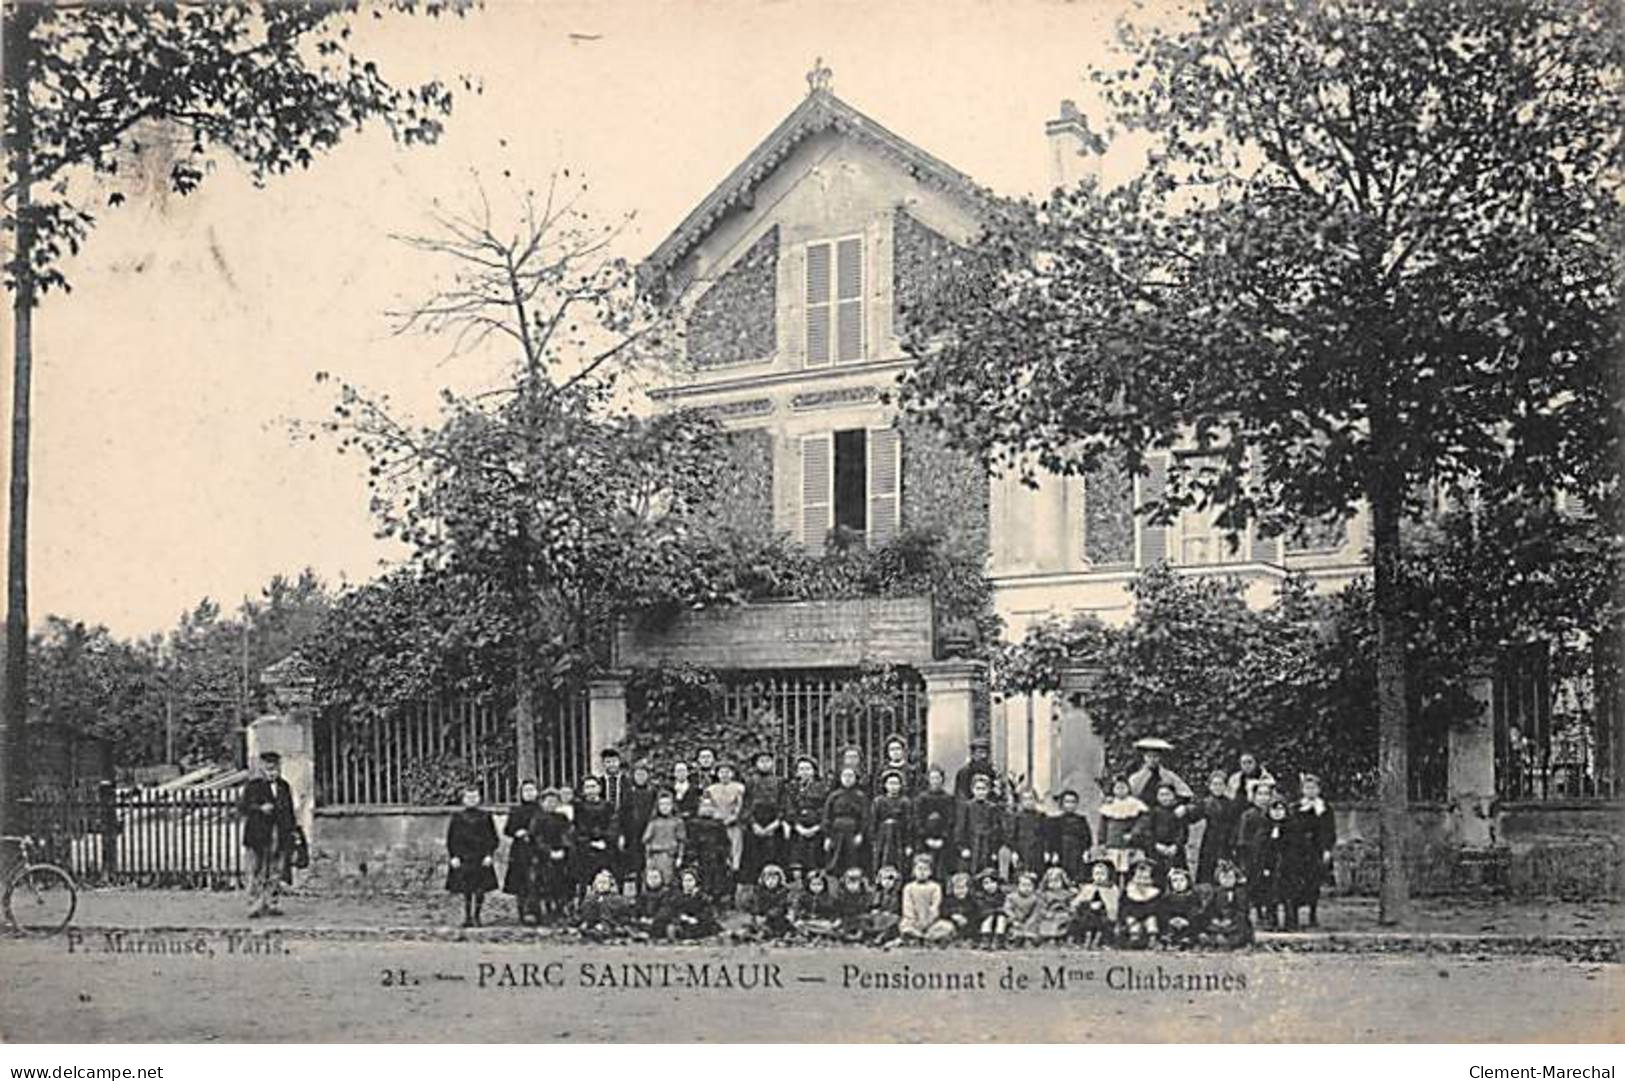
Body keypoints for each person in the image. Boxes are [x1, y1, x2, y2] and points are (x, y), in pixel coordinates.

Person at [239, 751, 297, 919]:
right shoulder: (253, 786)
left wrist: (293, 831)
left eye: (275, 769)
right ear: (262, 769)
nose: (272, 772)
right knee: (257, 869)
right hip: (258, 833)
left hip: (279, 833)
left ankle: (272, 902)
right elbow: (243, 807)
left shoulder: (284, 786)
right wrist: (259, 808)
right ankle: (254, 904)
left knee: (276, 870)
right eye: (268, 769)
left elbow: (290, 810)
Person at [1285, 773, 1337, 928]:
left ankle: (1312, 915)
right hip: (1298, 851)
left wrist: (1327, 849)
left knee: (1314, 883)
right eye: (1307, 788)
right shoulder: (1295, 808)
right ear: (1302, 790)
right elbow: (1291, 829)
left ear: (1319, 790)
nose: (1310, 791)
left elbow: (1330, 830)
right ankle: (1293, 915)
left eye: (1313, 788)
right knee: (1296, 883)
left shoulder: (1325, 809)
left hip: (1316, 850)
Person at [445, 784, 500, 928]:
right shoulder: (457, 817)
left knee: (480, 888)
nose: (471, 799)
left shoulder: (485, 816)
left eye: (474, 797)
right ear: (463, 799)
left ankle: (477, 915)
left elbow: (492, 837)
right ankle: (467, 916)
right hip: (464, 856)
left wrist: (489, 854)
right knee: (466, 889)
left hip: (480, 857)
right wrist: (454, 856)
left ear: (479, 798)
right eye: (468, 797)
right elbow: (451, 838)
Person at [1189, 769, 1245, 885]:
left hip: (1226, 840)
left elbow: (1236, 823)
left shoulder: (1231, 804)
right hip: (1210, 840)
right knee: (1207, 870)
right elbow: (1192, 817)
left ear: (1225, 786)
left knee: (1225, 870)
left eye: (1221, 784)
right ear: (1209, 786)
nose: (1217, 787)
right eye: (1215, 784)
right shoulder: (1205, 803)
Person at [1246, 797, 1294, 930]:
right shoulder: (1264, 829)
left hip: (1287, 868)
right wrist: (1264, 866)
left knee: (1287, 896)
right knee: (1269, 895)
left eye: (1280, 809)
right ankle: (1271, 920)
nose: (1277, 813)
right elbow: (1259, 850)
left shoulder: (1291, 829)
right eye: (1274, 809)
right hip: (1269, 868)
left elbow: (1296, 848)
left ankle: (1290, 922)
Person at [502, 779, 545, 925]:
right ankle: (522, 913)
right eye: (526, 790)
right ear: (521, 793)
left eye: (532, 790)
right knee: (520, 883)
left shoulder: (542, 810)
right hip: (520, 851)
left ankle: (536, 913)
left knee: (537, 881)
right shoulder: (516, 810)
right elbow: (507, 830)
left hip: (538, 849)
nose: (529, 793)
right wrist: (517, 832)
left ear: (537, 792)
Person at [742, 750, 786, 888]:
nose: (765, 764)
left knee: (772, 857)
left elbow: (783, 804)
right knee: (754, 858)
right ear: (756, 764)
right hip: (755, 826)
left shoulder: (779, 782)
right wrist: (753, 824)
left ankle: (774, 888)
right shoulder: (750, 782)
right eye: (761, 761)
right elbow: (746, 806)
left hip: (773, 825)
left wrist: (776, 823)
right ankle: (757, 890)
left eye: (768, 761)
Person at [573, 776, 620, 899]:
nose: (591, 790)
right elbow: (578, 828)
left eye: (593, 786)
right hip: (585, 849)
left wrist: (605, 840)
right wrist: (590, 842)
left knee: (607, 877)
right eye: (587, 787)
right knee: (584, 880)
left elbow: (614, 825)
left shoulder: (608, 806)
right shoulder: (579, 808)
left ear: (599, 788)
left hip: (606, 847)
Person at [1097, 774, 1150, 881]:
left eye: (1123, 787)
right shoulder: (1109, 805)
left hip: (1130, 843)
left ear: (1128, 789)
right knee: (1112, 871)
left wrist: (1133, 833)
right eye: (1117, 788)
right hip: (1112, 843)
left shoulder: (1135, 804)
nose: (1120, 790)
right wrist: (1101, 842)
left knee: (1130, 871)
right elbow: (1102, 826)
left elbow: (1143, 822)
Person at [534, 788, 574, 920]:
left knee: (562, 882)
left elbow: (568, 834)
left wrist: (563, 849)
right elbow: (536, 838)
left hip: (561, 854)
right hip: (543, 857)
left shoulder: (562, 818)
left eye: (554, 801)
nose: (551, 804)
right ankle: (547, 909)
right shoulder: (538, 819)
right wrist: (548, 851)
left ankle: (560, 907)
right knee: (546, 883)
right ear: (542, 803)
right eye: (548, 801)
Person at [785, 755, 826, 880]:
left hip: (816, 829)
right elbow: (789, 807)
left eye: (808, 769)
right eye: (801, 769)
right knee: (796, 861)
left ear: (814, 771)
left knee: (814, 860)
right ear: (797, 772)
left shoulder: (823, 787)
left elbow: (825, 808)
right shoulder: (791, 788)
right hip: (797, 829)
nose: (805, 772)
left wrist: (817, 827)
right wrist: (797, 826)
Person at [705, 760, 748, 883]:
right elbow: (705, 807)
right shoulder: (710, 789)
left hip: (734, 823)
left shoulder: (740, 788)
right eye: (721, 772)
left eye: (727, 772)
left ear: (732, 774)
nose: (724, 775)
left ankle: (735, 868)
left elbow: (742, 806)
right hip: (716, 823)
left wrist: (733, 817)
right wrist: (715, 815)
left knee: (736, 844)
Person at [955, 772, 1005, 875]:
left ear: (988, 790)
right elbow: (960, 828)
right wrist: (963, 848)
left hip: (987, 846)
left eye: (983, 789)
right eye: (978, 789)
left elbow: (997, 830)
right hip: (971, 845)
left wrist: (995, 851)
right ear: (972, 790)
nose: (981, 792)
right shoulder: (967, 807)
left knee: (987, 873)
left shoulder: (993, 808)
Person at [823, 765, 870, 874]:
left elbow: (865, 817)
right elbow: (827, 816)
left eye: (850, 776)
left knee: (852, 861)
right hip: (836, 832)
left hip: (853, 833)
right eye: (845, 775)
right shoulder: (833, 796)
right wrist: (827, 836)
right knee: (835, 861)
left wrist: (860, 834)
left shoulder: (861, 796)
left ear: (855, 778)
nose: (847, 778)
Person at [688, 789, 733, 903]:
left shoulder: (719, 824)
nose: (707, 808)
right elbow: (691, 842)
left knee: (718, 879)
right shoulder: (693, 823)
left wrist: (725, 854)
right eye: (704, 805)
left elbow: (725, 842)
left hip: (717, 857)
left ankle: (717, 900)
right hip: (701, 856)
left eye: (710, 806)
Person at [912, 765, 956, 880]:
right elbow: (917, 819)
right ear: (928, 780)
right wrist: (927, 838)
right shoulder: (921, 798)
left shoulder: (948, 798)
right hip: (924, 841)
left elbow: (951, 820)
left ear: (942, 779)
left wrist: (943, 838)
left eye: (938, 778)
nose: (935, 781)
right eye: (933, 778)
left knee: (942, 869)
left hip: (943, 841)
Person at [619, 761, 657, 889]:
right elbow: (623, 814)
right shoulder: (629, 793)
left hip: (649, 832)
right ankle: (637, 891)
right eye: (638, 774)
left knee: (649, 864)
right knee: (635, 864)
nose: (640, 777)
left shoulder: (652, 792)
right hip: (633, 834)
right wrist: (623, 834)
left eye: (643, 774)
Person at [1200, 859, 1254, 948]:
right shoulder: (1215, 892)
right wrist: (1215, 918)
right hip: (1219, 919)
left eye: (1230, 877)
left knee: (1241, 925)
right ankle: (1214, 938)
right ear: (1218, 879)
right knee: (1206, 924)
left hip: (1234, 920)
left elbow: (1242, 909)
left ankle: (1234, 940)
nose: (1227, 881)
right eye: (1224, 878)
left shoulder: (1240, 893)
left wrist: (1230, 919)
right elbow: (1210, 908)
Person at [1145, 781, 1191, 884]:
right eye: (1161, 795)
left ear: (1173, 795)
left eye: (1168, 794)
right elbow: (1148, 831)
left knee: (1178, 878)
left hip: (1175, 852)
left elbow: (1183, 831)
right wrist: (1156, 845)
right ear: (1157, 796)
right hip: (1157, 851)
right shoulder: (1152, 812)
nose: (1165, 798)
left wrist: (1176, 845)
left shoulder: (1178, 812)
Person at [1043, 789, 1093, 882]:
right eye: (1067, 802)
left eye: (1073, 802)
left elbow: (1087, 837)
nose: (1070, 805)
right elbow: (1052, 838)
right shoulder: (1056, 820)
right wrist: (1054, 852)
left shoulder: (1081, 820)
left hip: (1077, 851)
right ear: (1062, 803)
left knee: (1078, 875)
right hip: (1062, 850)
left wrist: (1086, 851)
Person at [1069, 858, 1120, 947]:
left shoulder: (1111, 888)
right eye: (1097, 874)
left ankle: (1102, 940)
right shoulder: (1089, 887)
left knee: (1104, 922)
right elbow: (1079, 900)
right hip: (1088, 913)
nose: (1099, 877)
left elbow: (1113, 904)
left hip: (1103, 915)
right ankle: (1083, 939)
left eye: (1102, 874)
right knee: (1083, 918)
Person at [870, 770, 913, 876]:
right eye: (890, 783)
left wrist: (908, 843)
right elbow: (873, 821)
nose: (893, 787)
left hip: (899, 837)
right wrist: (874, 840)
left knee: (899, 861)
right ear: (885, 785)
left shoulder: (905, 802)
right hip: (882, 837)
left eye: (896, 783)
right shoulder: (878, 801)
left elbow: (909, 823)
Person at [1127, 737, 1194, 804]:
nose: (1152, 760)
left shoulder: (1169, 775)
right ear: (1144, 758)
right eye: (1149, 756)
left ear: (1160, 757)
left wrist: (1180, 805)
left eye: (1155, 756)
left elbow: (1186, 793)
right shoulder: (1136, 777)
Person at [641, 790, 685, 889]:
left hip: (670, 857)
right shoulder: (653, 822)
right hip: (655, 857)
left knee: (668, 882)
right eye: (662, 804)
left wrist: (680, 857)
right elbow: (646, 841)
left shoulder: (678, 822)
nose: (665, 807)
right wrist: (648, 858)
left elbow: (681, 841)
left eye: (667, 804)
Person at [661, 866, 720, 941]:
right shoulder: (676, 897)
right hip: (682, 923)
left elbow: (708, 913)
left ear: (695, 882)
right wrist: (682, 918)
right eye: (685, 881)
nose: (687, 883)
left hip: (699, 923)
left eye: (690, 880)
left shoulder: (702, 897)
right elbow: (672, 912)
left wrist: (697, 918)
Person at [1118, 858, 1162, 948]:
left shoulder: (1155, 893)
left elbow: (1157, 909)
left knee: (1151, 921)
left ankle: (1152, 939)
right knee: (1132, 923)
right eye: (1138, 878)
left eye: (1145, 878)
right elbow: (1123, 907)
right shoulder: (1129, 892)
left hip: (1149, 916)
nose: (1141, 882)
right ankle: (1134, 938)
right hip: (1133, 917)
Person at [898, 853, 943, 941]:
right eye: (919, 869)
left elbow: (935, 907)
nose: (922, 872)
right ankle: (919, 936)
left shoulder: (935, 887)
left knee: (946, 927)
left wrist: (927, 922)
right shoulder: (908, 887)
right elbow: (908, 908)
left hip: (931, 922)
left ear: (930, 872)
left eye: (925, 869)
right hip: (913, 922)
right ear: (914, 871)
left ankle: (925, 937)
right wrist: (914, 921)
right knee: (904, 926)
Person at [577, 867, 631, 941]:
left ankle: (608, 930)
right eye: (599, 883)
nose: (602, 885)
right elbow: (586, 909)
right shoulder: (591, 897)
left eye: (605, 883)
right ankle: (594, 929)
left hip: (612, 922)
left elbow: (623, 910)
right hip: (595, 921)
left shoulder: (616, 898)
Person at [1009, 788, 1046, 880]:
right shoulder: (1017, 817)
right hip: (1023, 848)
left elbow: (1046, 835)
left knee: (1037, 873)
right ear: (1021, 802)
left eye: (1031, 799)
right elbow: (1013, 835)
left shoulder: (1041, 816)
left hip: (1038, 849)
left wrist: (1047, 851)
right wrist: (1014, 851)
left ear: (1035, 800)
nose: (1028, 802)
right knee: (1024, 873)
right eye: (1025, 799)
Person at [1160, 866, 1203, 948]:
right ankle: (1168, 939)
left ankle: (1187, 940)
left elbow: (1196, 910)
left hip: (1187, 921)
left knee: (1196, 922)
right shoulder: (1167, 898)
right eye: (1175, 881)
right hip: (1172, 921)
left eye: (1182, 880)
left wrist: (1186, 920)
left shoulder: (1192, 896)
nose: (1178, 883)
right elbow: (1163, 911)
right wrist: (1171, 920)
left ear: (1188, 882)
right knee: (1166, 926)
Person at [750, 863, 794, 939]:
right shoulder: (759, 892)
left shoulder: (783, 892)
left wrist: (790, 913)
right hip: (764, 917)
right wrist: (758, 914)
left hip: (779, 917)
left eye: (774, 879)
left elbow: (785, 905)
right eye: (768, 879)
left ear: (779, 879)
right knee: (756, 925)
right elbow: (757, 904)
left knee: (785, 925)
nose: (771, 882)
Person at [832, 865, 874, 942]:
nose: (852, 886)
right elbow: (837, 909)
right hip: (846, 919)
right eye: (849, 883)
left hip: (860, 919)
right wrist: (838, 918)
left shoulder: (866, 895)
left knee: (865, 923)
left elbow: (868, 909)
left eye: (855, 883)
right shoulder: (841, 895)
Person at [933, 871, 977, 943]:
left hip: (967, 926)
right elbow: (943, 911)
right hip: (952, 924)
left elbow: (975, 913)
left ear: (968, 888)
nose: (960, 891)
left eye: (963, 888)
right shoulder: (948, 900)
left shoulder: (971, 901)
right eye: (957, 888)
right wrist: (953, 915)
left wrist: (966, 918)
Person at [793, 869, 838, 938]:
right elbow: (797, 909)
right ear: (808, 885)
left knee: (829, 926)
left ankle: (819, 935)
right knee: (799, 925)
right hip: (807, 921)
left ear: (824, 885)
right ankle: (809, 935)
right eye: (813, 884)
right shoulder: (803, 897)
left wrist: (831, 920)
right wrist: (800, 917)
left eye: (819, 884)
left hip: (822, 922)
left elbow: (833, 911)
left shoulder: (828, 898)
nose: (816, 887)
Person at [1002, 871, 1042, 944]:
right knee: (1010, 927)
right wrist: (1014, 919)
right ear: (1018, 886)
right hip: (1015, 920)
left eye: (1029, 885)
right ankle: (1015, 937)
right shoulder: (1011, 897)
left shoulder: (1035, 898)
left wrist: (1029, 921)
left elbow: (1036, 912)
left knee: (1034, 929)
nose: (1026, 888)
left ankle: (1028, 938)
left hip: (1029, 922)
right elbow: (1007, 908)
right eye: (1023, 885)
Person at [1035, 866, 1074, 941]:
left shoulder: (1067, 894)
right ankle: (1050, 937)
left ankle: (1063, 938)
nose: (1054, 884)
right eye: (1051, 881)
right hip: (1050, 915)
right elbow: (1040, 907)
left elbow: (1072, 905)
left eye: (1056, 881)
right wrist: (1046, 913)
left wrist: (1069, 910)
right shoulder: (1045, 895)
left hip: (1063, 914)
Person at [867, 864, 904, 943]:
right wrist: (875, 910)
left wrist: (890, 912)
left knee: (894, 921)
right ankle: (876, 935)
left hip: (891, 916)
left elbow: (897, 908)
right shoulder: (878, 893)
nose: (887, 882)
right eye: (884, 879)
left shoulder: (897, 894)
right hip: (879, 916)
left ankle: (883, 936)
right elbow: (874, 905)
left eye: (890, 879)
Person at [632, 866, 670, 940]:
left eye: (655, 877)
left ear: (661, 878)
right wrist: (642, 917)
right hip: (644, 921)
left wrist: (654, 919)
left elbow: (665, 910)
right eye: (650, 878)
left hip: (659, 922)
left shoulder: (666, 893)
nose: (653, 880)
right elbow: (638, 907)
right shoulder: (643, 894)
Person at [974, 869, 1008, 945]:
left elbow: (1006, 908)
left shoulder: (1002, 895)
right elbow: (981, 910)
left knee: (1001, 918)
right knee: (988, 917)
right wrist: (993, 911)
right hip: (984, 919)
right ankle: (985, 938)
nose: (990, 885)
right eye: (986, 883)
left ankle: (998, 938)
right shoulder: (980, 896)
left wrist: (1000, 911)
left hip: (999, 918)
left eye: (993, 882)